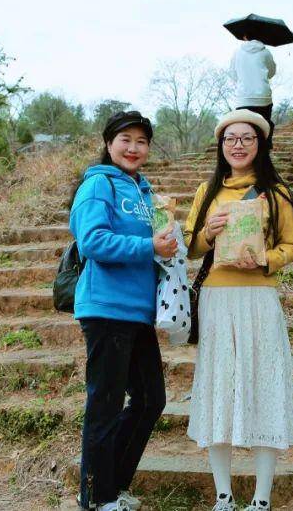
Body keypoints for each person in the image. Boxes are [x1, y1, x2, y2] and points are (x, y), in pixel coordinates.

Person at [184, 109, 293, 511]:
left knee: (263, 387)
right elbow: (189, 246)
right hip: (218, 300)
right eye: (230, 138)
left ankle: (262, 497)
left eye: (247, 138)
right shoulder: (208, 192)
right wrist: (207, 233)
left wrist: (266, 260)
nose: (237, 145)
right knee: (220, 388)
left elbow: (292, 245)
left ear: (260, 144)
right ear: (220, 145)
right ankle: (223, 494)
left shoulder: (278, 192)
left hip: (259, 300)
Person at [70, 111, 177, 511]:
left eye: (142, 141)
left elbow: (153, 246)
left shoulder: (146, 192)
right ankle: (97, 498)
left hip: (138, 311)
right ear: (109, 142)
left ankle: (108, 489)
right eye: (125, 139)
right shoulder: (98, 184)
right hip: (106, 308)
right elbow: (93, 241)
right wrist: (149, 247)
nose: (133, 148)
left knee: (151, 399)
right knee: (106, 404)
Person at [230, 36, 277, 135]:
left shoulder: (237, 53)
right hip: (263, 98)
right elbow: (272, 73)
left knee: (244, 131)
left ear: (245, 36)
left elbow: (233, 75)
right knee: (264, 129)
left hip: (243, 99)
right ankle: (265, 148)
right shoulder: (266, 52)